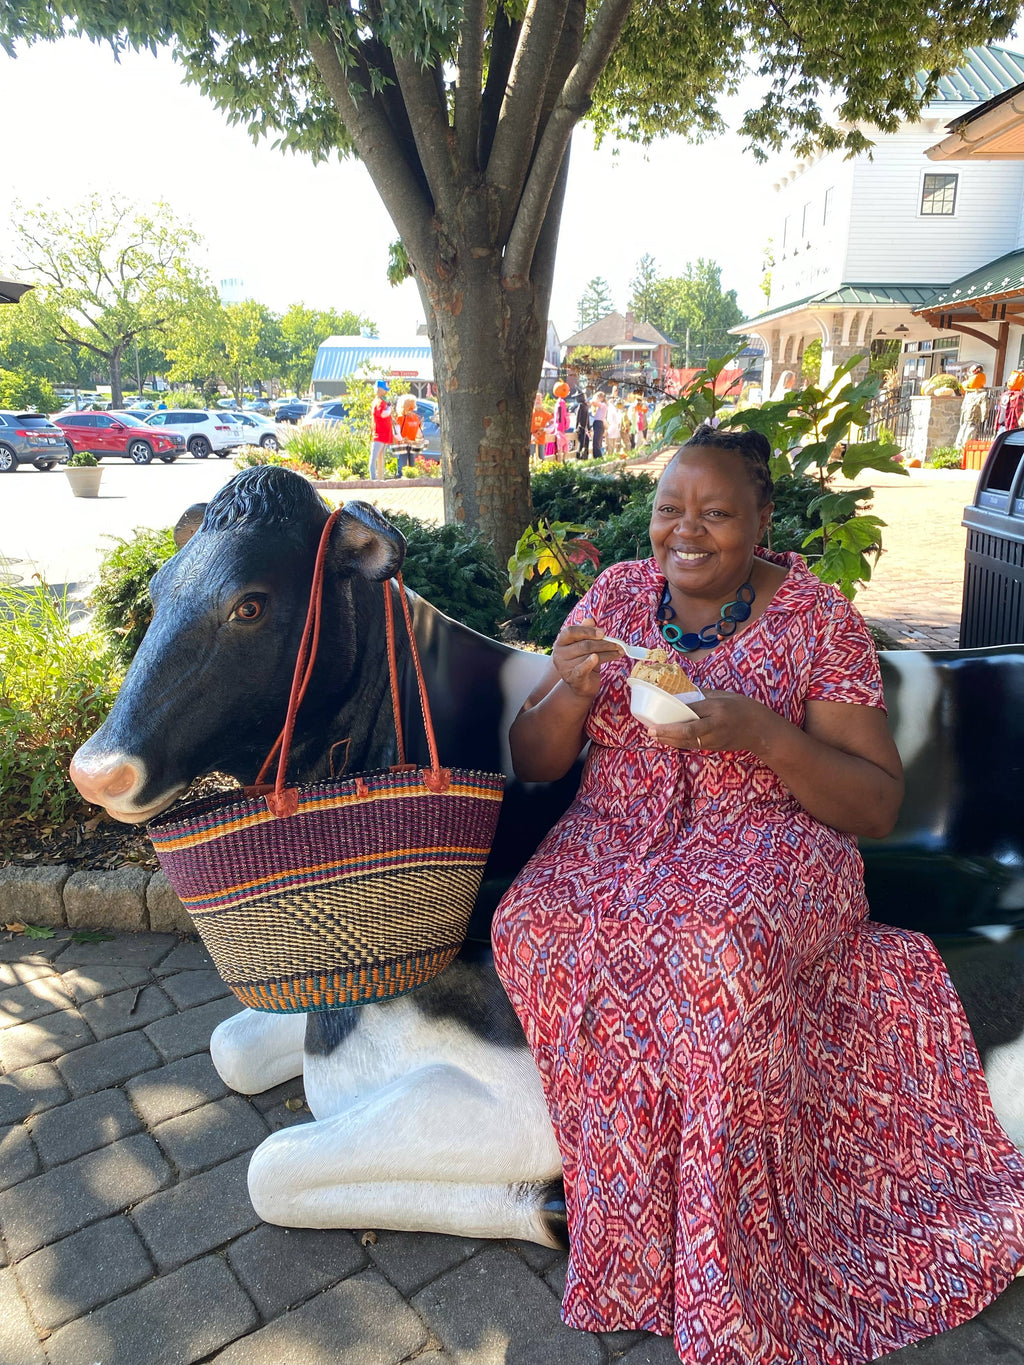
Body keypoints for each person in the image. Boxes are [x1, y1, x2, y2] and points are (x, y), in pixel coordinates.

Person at [492, 424, 1024, 1365]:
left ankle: (723, 1257)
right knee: (532, 923)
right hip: (616, 836)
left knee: (713, 948)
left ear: (762, 519)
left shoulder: (817, 618)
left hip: (772, 841)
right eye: (669, 508)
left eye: (716, 512)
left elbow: (874, 801)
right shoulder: (617, 594)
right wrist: (569, 691)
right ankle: (629, 1238)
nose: (684, 530)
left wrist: (763, 734)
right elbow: (535, 758)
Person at [956, 364, 988, 450]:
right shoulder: (971, 393)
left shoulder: (981, 394)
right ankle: (961, 452)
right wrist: (984, 417)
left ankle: (962, 452)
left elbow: (984, 408)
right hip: (967, 421)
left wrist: (984, 417)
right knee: (963, 438)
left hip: (972, 421)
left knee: (966, 438)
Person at [371, 379, 395, 480]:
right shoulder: (379, 402)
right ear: (379, 390)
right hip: (380, 434)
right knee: (374, 459)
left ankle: (380, 479)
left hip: (383, 434)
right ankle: (374, 480)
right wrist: (389, 409)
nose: (386, 392)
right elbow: (382, 414)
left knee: (380, 459)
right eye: (384, 390)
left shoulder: (382, 401)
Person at [394, 394, 423, 474]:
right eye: (410, 407)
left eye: (412, 407)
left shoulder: (415, 417)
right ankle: (401, 477)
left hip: (412, 443)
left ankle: (411, 476)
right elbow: (396, 432)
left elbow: (418, 430)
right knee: (402, 465)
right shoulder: (400, 418)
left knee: (412, 464)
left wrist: (418, 439)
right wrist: (402, 439)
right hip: (403, 444)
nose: (412, 409)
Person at [590, 391, 607, 459]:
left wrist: (592, 400)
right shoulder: (601, 406)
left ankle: (598, 457)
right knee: (596, 442)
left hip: (599, 423)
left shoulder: (603, 405)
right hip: (597, 423)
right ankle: (597, 457)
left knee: (596, 442)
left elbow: (594, 402)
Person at [575, 390, 591, 459]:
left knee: (586, 440)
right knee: (581, 442)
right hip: (581, 427)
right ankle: (579, 457)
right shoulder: (582, 406)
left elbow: (586, 418)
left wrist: (589, 427)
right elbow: (578, 418)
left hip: (583, 427)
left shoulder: (584, 406)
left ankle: (584, 456)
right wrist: (576, 427)